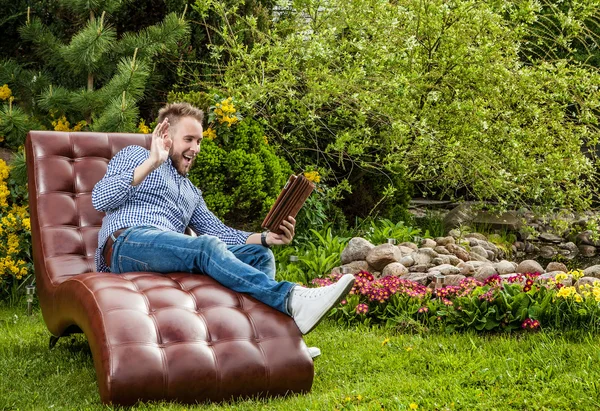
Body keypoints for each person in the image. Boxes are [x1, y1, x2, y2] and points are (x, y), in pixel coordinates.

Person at [92, 102, 354, 334]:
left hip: (165, 248)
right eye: (189, 139)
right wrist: (152, 161)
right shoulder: (136, 156)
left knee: (259, 255)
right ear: (167, 136)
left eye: (199, 141)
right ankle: (291, 299)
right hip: (126, 244)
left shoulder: (190, 191)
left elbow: (220, 232)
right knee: (205, 245)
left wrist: (266, 238)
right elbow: (100, 199)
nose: (196, 148)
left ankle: (270, 335)